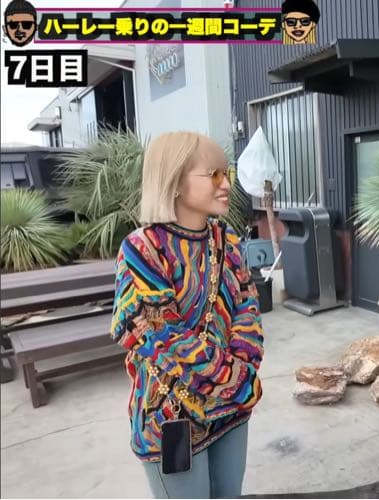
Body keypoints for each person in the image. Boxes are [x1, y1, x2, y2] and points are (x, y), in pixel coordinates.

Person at [110, 131, 265, 499]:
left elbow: (247, 304)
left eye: (226, 173)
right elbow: (160, 334)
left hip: (230, 409)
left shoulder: (226, 240)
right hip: (170, 415)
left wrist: (242, 367)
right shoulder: (143, 249)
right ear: (176, 181)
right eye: (214, 174)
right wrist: (234, 379)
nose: (226, 184)